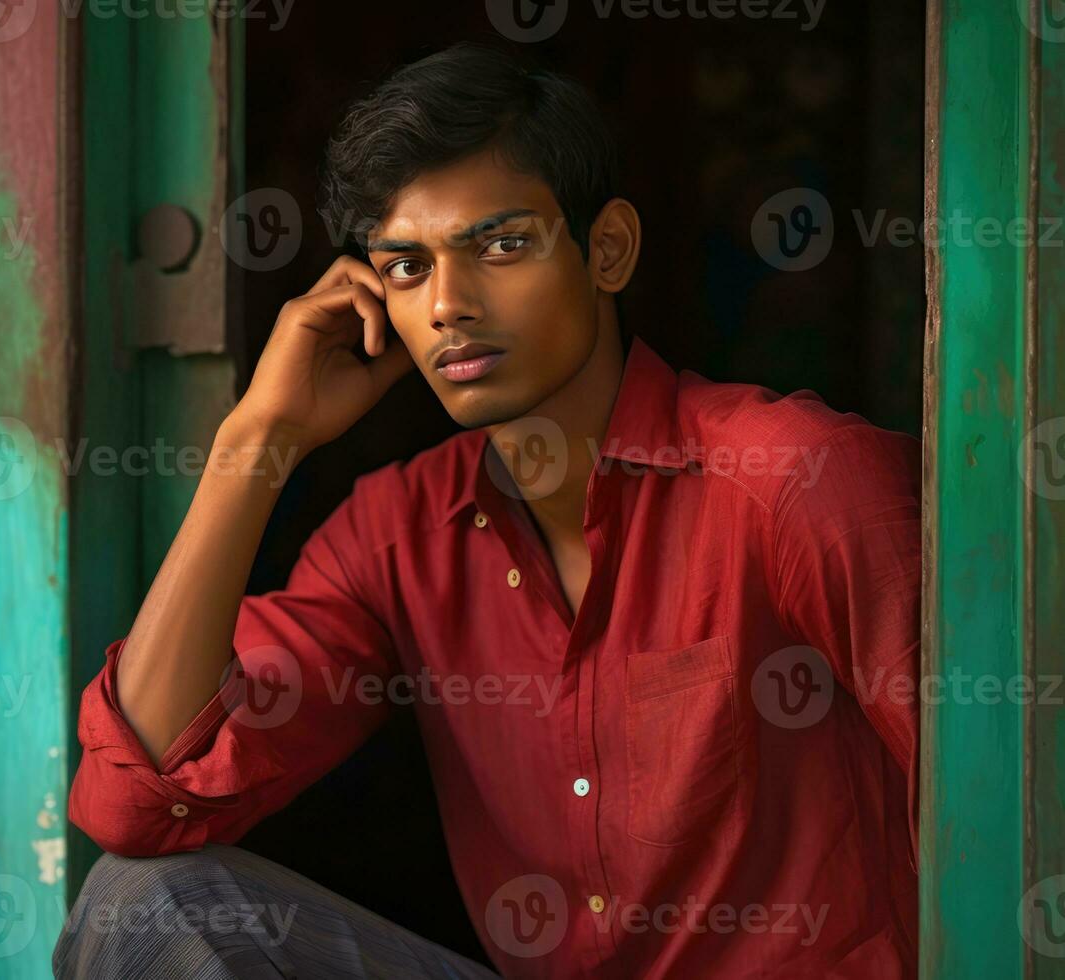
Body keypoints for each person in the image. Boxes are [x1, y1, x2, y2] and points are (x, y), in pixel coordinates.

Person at [55, 41, 920, 979]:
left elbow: (1004, 808)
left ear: (609, 249)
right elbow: (134, 803)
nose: (449, 306)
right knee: (144, 908)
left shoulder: (795, 480)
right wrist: (255, 443)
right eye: (406, 266)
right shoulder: (395, 538)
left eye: (500, 245)